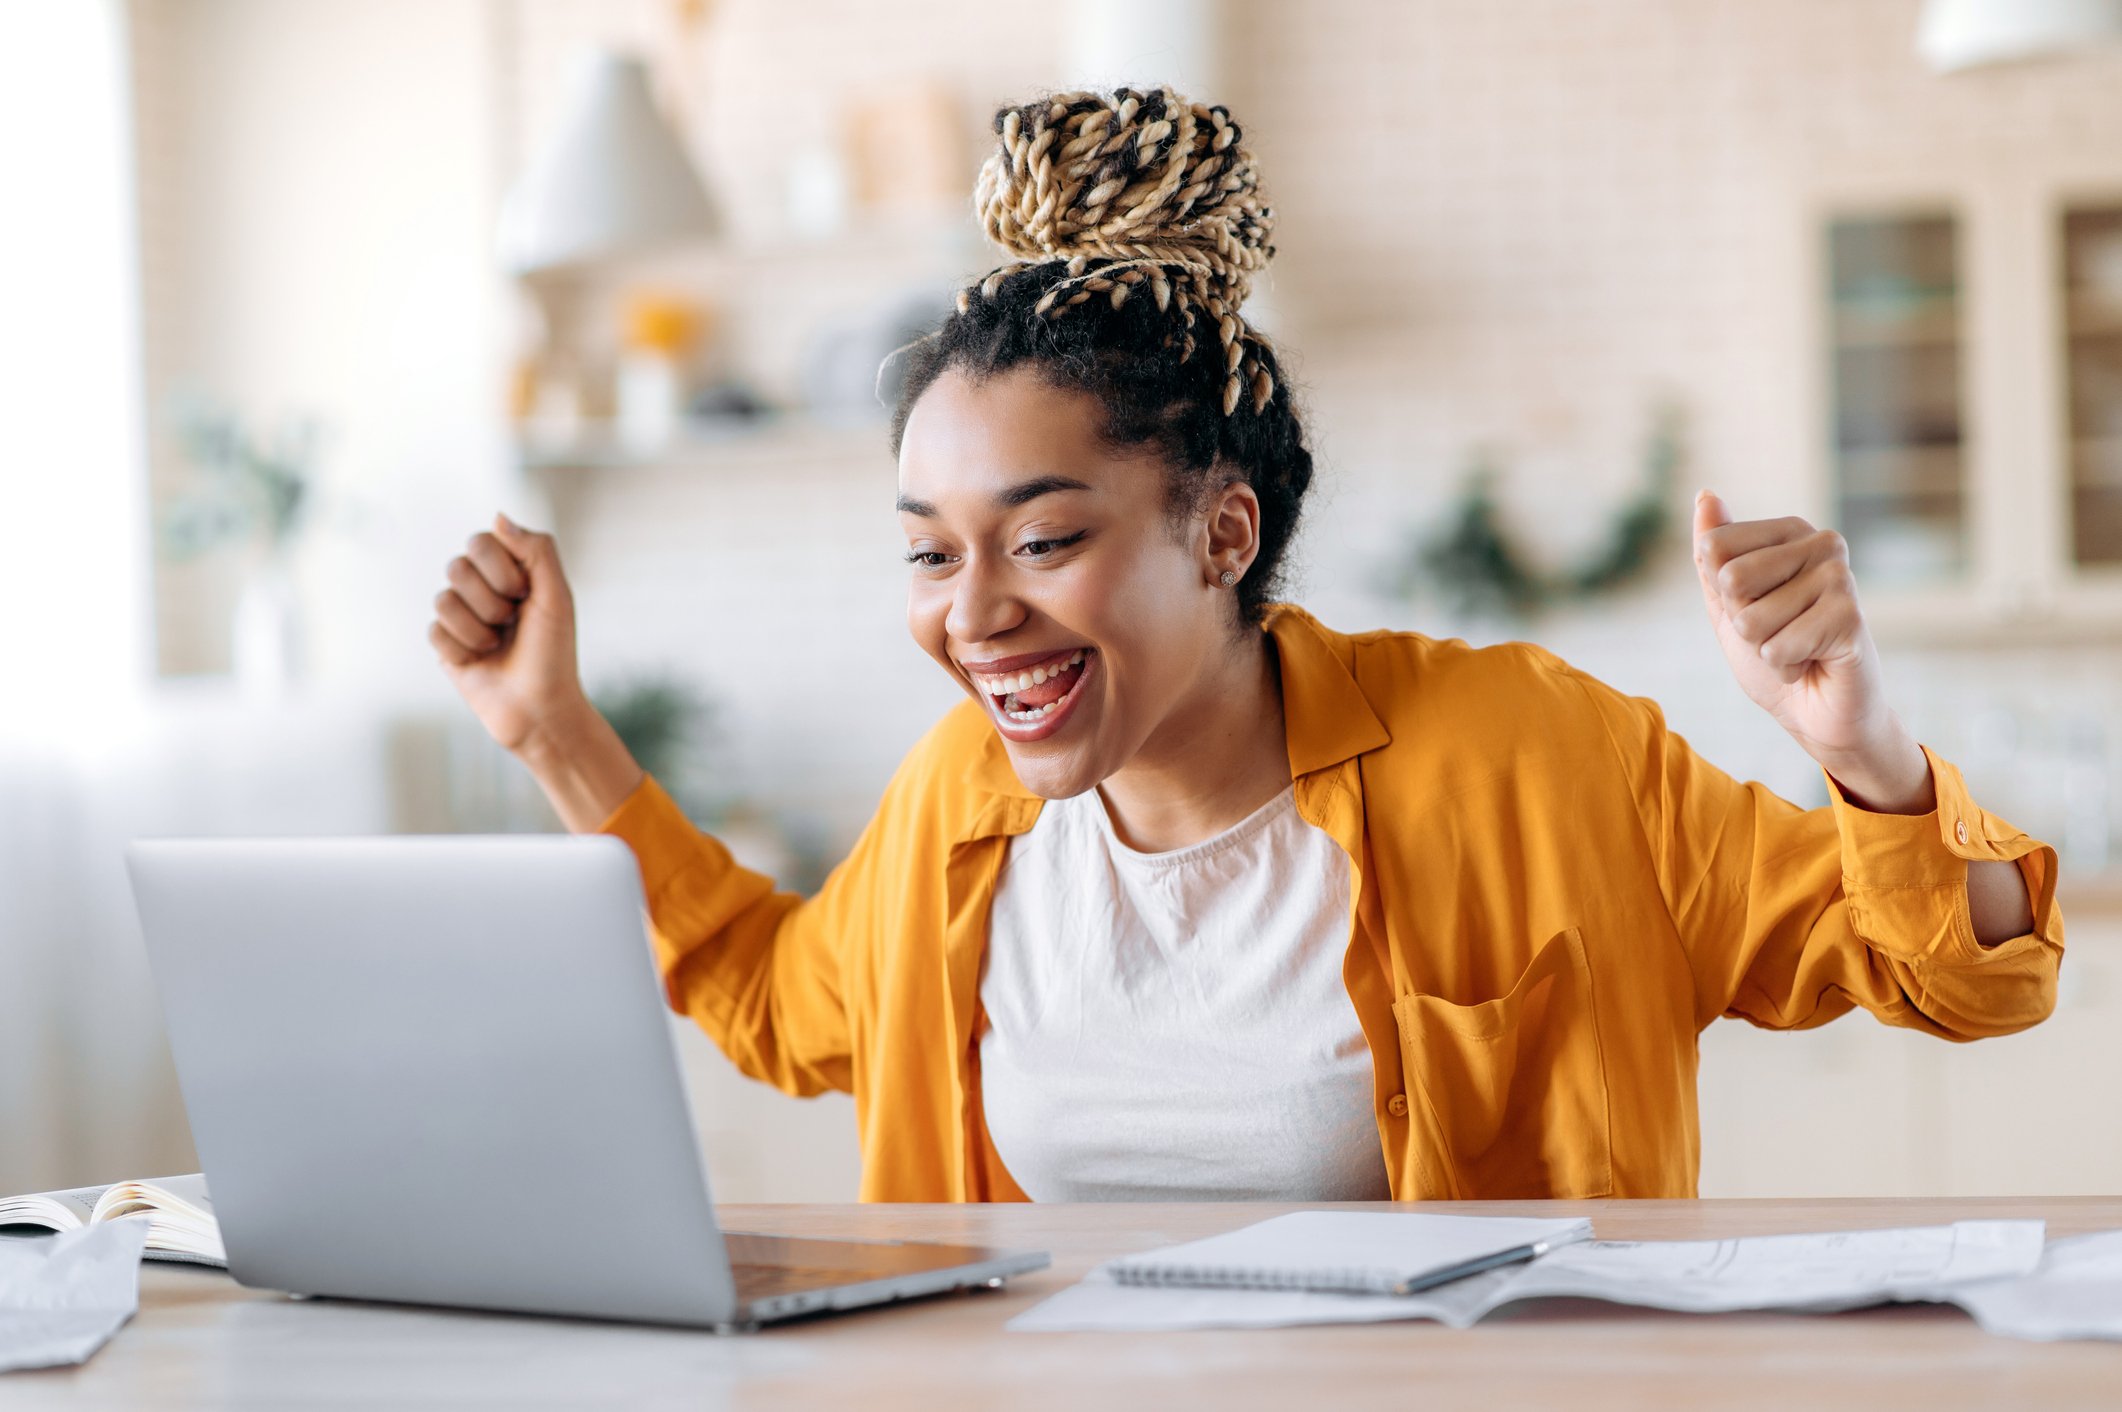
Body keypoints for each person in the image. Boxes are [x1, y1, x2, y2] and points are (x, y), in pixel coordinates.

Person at [428, 86, 2061, 1203]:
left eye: (1046, 537)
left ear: (1220, 533)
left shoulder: (1525, 748)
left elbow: (1959, 975)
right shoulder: (961, 810)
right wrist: (552, 734)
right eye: (930, 552)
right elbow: (780, 1001)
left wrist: (1860, 749)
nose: (974, 612)